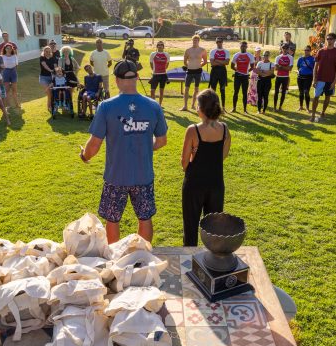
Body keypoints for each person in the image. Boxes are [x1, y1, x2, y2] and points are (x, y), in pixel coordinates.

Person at [80, 60, 168, 243]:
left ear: (117, 80)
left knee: (112, 219)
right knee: (145, 217)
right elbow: (161, 141)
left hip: (116, 176)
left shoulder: (106, 106)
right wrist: (144, 143)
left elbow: (94, 145)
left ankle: (113, 260)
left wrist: (84, 155)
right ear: (136, 77)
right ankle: (143, 257)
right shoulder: (153, 106)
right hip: (143, 175)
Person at [181, 89, 231, 246]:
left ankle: (189, 263)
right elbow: (221, 156)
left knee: (190, 227)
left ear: (201, 109)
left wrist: (194, 156)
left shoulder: (193, 130)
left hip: (194, 185)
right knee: (214, 228)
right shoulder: (225, 129)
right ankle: (214, 262)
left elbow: (184, 163)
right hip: (216, 184)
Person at [310, 33, 336, 123]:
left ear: (334, 40)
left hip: (330, 80)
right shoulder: (321, 51)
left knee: (327, 97)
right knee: (316, 97)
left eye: (331, 39)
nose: (329, 40)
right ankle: (312, 115)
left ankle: (323, 112)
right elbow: (315, 66)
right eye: (327, 39)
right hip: (320, 79)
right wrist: (314, 79)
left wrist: (334, 82)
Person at [181, 35, 207, 111]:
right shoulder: (188, 50)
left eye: (196, 40)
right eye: (194, 40)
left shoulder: (202, 50)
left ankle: (193, 105)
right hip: (189, 71)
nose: (195, 42)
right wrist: (189, 66)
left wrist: (199, 66)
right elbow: (185, 61)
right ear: (192, 41)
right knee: (186, 89)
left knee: (196, 89)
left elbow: (205, 61)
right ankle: (185, 106)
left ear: (199, 41)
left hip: (198, 71)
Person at [230, 41, 254, 113]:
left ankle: (245, 110)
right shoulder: (236, 55)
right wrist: (237, 70)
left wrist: (246, 72)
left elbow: (252, 66)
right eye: (242, 46)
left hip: (245, 77)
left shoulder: (250, 55)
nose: (243, 47)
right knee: (235, 92)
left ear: (246, 47)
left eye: (244, 46)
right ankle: (234, 108)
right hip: (237, 76)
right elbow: (232, 66)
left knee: (244, 93)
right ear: (240, 47)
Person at [208, 37, 230, 110]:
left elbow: (227, 62)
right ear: (216, 42)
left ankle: (223, 107)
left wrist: (216, 60)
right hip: (214, 71)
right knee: (213, 90)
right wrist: (221, 62)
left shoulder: (226, 51)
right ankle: (213, 106)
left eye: (220, 42)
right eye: (217, 42)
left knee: (222, 90)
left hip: (222, 72)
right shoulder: (212, 51)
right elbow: (212, 63)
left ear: (222, 42)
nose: (219, 43)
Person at [149, 41, 170, 105]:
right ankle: (154, 104)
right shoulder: (153, 54)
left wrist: (162, 70)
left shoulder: (166, 54)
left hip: (163, 75)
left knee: (161, 91)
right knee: (152, 91)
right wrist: (154, 70)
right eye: (158, 45)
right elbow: (151, 63)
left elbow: (167, 65)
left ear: (163, 46)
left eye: (161, 45)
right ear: (157, 46)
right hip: (155, 75)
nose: (160, 46)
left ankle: (159, 105)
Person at [274, 44, 293, 111]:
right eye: (283, 48)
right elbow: (276, 68)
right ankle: (275, 107)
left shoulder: (290, 57)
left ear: (288, 49)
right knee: (276, 92)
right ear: (281, 49)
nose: (284, 49)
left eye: (286, 48)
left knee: (283, 93)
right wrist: (285, 67)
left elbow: (290, 68)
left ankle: (280, 107)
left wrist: (281, 67)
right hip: (278, 77)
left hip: (285, 77)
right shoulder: (278, 57)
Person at [39, 45, 58, 112]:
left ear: (50, 51)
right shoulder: (42, 58)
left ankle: (54, 106)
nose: (47, 52)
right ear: (44, 52)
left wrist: (56, 72)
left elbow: (55, 66)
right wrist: (50, 70)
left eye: (49, 51)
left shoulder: (53, 58)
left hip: (52, 77)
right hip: (44, 77)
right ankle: (49, 107)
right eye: (46, 51)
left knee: (54, 93)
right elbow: (44, 65)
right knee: (49, 93)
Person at [1, 43, 21, 108]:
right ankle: (8, 105)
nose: (9, 49)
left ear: (12, 49)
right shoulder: (2, 56)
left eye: (10, 48)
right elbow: (1, 65)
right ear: (5, 49)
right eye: (7, 48)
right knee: (7, 90)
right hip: (6, 72)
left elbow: (16, 65)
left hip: (13, 72)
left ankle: (17, 104)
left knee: (14, 89)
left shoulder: (14, 56)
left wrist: (13, 70)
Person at [296, 45, 315, 111]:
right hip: (300, 77)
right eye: (305, 50)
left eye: (308, 50)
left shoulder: (313, 59)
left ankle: (307, 107)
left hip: (308, 77)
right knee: (301, 92)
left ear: (310, 51)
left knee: (306, 92)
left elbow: (314, 69)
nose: (306, 51)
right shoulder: (300, 58)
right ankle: (301, 106)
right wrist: (300, 71)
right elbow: (298, 67)